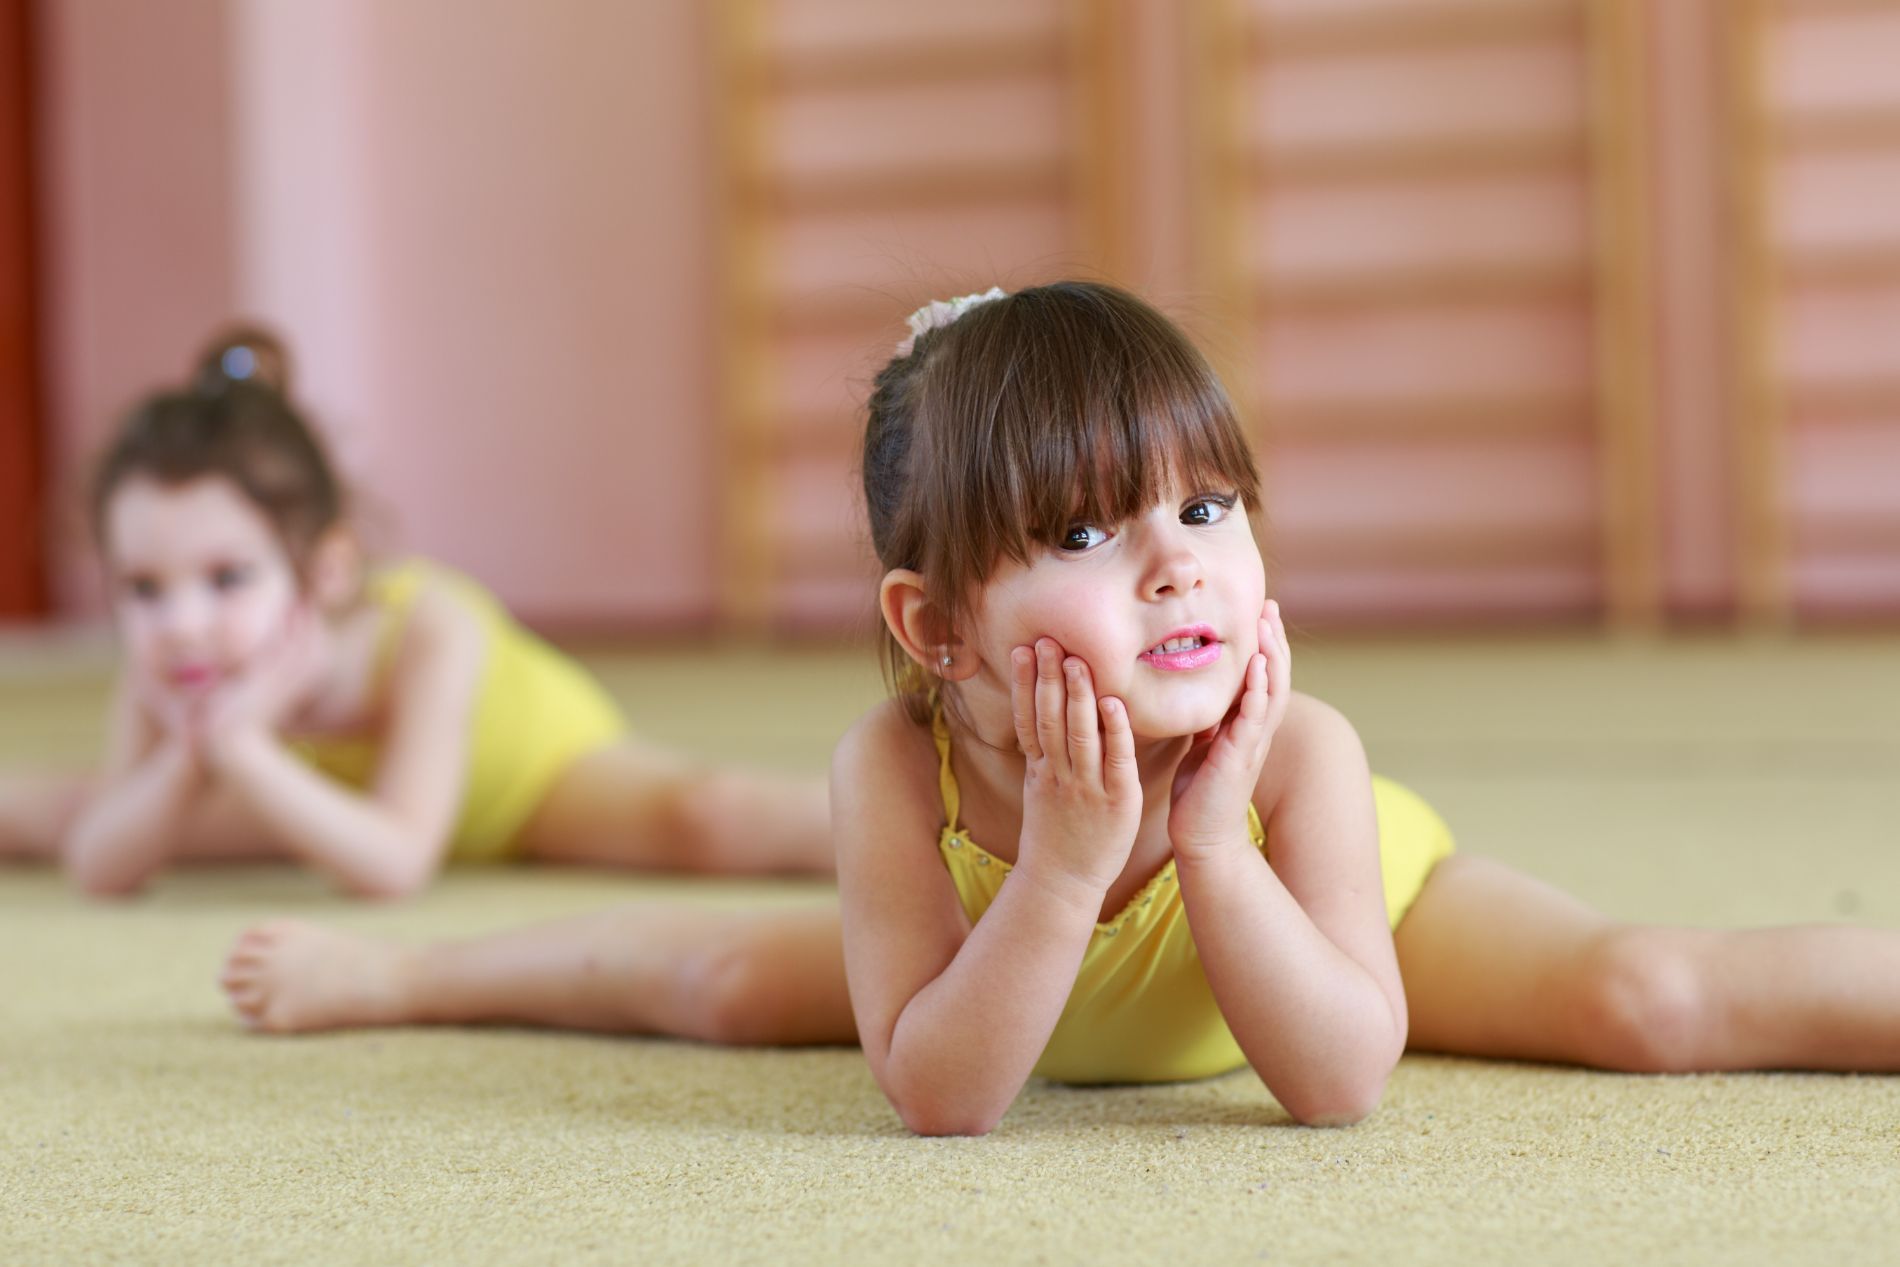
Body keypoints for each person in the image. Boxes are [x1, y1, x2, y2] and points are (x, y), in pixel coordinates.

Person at [217, 284, 1900, 1133]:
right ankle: (405, 967)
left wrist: (1209, 841)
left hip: (1340, 919)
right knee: (716, 974)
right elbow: (942, 1094)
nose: (1179, 570)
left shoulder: (1297, 748)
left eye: (1210, 509)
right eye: (1092, 533)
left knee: (1645, 994)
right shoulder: (895, 769)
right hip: (1004, 930)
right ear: (938, 627)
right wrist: (1057, 867)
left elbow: (1339, 1082)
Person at [0, 327, 830, 898]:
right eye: (143, 587)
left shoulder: (431, 625)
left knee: (708, 817)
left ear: (324, 570)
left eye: (226, 578)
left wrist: (243, 749)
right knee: (70, 810)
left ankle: (940, 832)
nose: (180, 622)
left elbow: (396, 862)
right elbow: (100, 865)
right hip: (312, 801)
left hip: (522, 784)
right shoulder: (174, 669)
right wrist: (192, 756)